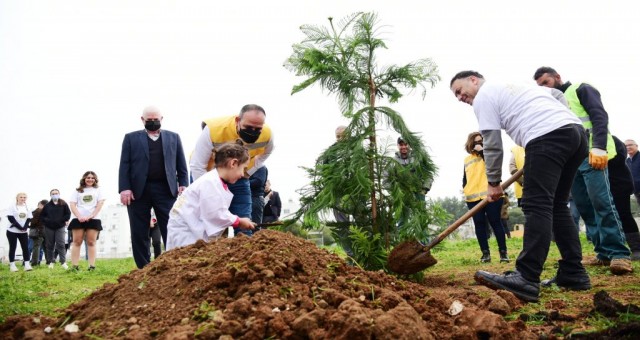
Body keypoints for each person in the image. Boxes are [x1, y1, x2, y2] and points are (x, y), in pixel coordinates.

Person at [450, 70, 590, 302]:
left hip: (546, 136)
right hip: (575, 134)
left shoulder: (484, 97)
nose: (460, 97)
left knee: (537, 206)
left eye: (459, 91)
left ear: (473, 80)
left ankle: (526, 276)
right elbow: (556, 94)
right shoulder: (516, 82)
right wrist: (561, 117)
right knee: (557, 206)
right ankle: (574, 272)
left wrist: (493, 182)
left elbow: (492, 144)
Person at [534, 67, 632, 274]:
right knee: (585, 207)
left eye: (545, 83)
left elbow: (599, 116)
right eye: (539, 86)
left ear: (557, 77)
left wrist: (598, 146)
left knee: (601, 202)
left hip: (593, 155)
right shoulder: (552, 103)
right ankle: (603, 253)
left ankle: (619, 253)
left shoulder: (581, 89)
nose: (543, 88)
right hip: (572, 159)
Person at [118, 106, 189, 269]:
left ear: (161, 119)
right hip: (137, 191)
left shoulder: (174, 137)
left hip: (166, 189)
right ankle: (143, 267)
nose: (153, 122)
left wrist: (184, 184)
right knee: (139, 230)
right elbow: (124, 164)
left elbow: (181, 163)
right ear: (142, 120)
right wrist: (124, 188)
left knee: (171, 226)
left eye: (155, 119)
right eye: (149, 120)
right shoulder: (131, 138)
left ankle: (173, 263)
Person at [190, 104, 273, 237]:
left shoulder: (268, 134)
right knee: (212, 226)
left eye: (257, 129)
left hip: (240, 179)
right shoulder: (214, 130)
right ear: (237, 121)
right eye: (248, 127)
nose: (253, 131)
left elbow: (266, 153)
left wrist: (248, 171)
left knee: (245, 225)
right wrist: (209, 191)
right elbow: (197, 165)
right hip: (208, 176)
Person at [167, 141, 255, 250]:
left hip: (191, 231)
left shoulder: (214, 181)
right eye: (243, 168)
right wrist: (239, 221)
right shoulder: (210, 183)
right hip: (186, 234)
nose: (243, 174)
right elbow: (215, 214)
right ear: (233, 163)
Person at [462, 132, 509, 263]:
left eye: (481, 141)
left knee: (496, 222)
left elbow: (493, 167)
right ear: (471, 143)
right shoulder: (467, 160)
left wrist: (482, 151)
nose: (480, 144)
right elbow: (465, 178)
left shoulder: (488, 154)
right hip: (473, 198)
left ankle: (503, 253)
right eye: (477, 142)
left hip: (491, 195)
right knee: (479, 225)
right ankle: (485, 254)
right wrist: (465, 188)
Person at [607, 136, 640, 260]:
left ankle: (636, 248)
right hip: (605, 185)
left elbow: (620, 158)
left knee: (624, 214)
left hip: (619, 184)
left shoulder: (613, 140)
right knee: (609, 216)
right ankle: (612, 248)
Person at [68, 171, 106, 271]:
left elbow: (100, 204)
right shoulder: (78, 191)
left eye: (92, 178)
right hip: (78, 219)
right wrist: (79, 216)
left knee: (91, 242)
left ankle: (92, 266)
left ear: (95, 180)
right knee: (77, 241)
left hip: (93, 219)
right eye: (88, 177)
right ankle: (74, 266)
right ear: (84, 179)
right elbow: (72, 204)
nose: (90, 179)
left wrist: (91, 216)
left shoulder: (98, 190)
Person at [41, 189, 71, 269]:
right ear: (50, 195)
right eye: (53, 194)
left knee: (61, 244)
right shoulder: (47, 206)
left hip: (60, 227)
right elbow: (42, 217)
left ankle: (63, 262)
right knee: (50, 245)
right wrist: (48, 221)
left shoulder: (64, 204)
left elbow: (68, 214)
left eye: (56, 193)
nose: (55, 195)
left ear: (59, 194)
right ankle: (51, 261)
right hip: (49, 228)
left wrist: (61, 220)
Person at [6, 193, 33, 272]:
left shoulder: (28, 207)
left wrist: (24, 227)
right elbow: (10, 218)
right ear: (17, 198)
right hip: (12, 231)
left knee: (25, 247)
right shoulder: (12, 206)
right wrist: (19, 227)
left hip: (23, 232)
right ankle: (12, 265)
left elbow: (29, 218)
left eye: (24, 197)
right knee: (13, 247)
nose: (23, 198)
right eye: (21, 197)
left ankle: (27, 264)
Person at [29, 199, 48, 266]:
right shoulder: (48, 212)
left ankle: (34, 263)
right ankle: (49, 262)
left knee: (36, 247)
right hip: (46, 231)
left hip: (38, 231)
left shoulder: (36, 212)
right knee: (46, 248)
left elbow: (33, 222)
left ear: (41, 205)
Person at [626, 139, 640, 206]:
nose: (628, 147)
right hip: (636, 191)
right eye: (626, 146)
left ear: (636, 146)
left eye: (630, 145)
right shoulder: (626, 161)